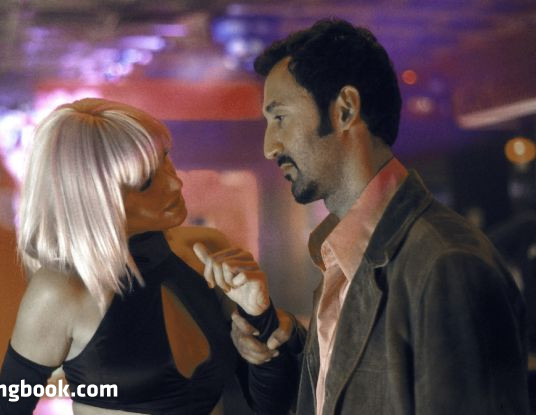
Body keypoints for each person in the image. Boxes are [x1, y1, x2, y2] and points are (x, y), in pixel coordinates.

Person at [208, 18, 528, 414]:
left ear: (344, 110)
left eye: (280, 118)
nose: (269, 146)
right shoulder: (342, 254)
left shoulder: (447, 263)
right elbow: (331, 398)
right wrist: (268, 330)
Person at [0, 98, 277, 414]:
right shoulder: (60, 291)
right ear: (94, 198)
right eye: (146, 181)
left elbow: (268, 401)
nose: (175, 182)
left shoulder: (206, 249)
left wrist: (261, 317)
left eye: (166, 158)